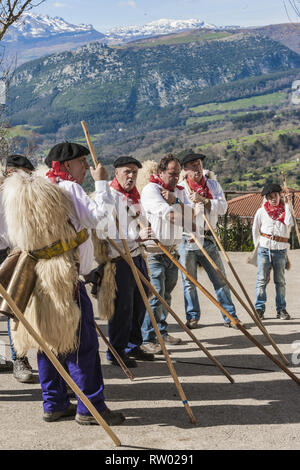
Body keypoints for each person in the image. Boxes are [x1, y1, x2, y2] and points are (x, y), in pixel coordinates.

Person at [3, 142, 124, 426]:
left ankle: (54, 403)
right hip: (65, 277)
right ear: (68, 165)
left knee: (49, 341)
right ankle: (90, 408)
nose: (86, 168)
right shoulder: (68, 189)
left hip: (39, 277)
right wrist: (102, 182)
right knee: (82, 344)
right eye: (83, 162)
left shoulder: (27, 192)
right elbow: (99, 218)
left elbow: (6, 237)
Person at [98, 156, 154, 367]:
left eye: (134, 172)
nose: (131, 176)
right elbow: (105, 232)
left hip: (137, 254)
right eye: (127, 172)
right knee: (123, 307)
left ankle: (133, 345)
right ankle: (117, 351)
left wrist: (145, 231)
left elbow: (139, 222)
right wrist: (135, 237)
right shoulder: (109, 197)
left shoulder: (134, 196)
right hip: (119, 258)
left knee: (140, 303)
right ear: (116, 173)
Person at [178, 151, 241, 329]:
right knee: (189, 282)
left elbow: (223, 208)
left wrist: (205, 200)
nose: (197, 168)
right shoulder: (181, 188)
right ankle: (192, 316)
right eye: (193, 165)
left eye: (198, 164)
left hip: (208, 237)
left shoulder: (213, 185)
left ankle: (230, 316)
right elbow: (176, 213)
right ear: (185, 170)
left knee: (220, 279)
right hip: (187, 239)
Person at [140, 154, 194, 354]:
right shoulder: (150, 190)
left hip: (173, 251)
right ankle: (147, 338)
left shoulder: (179, 191)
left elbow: (193, 214)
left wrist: (176, 200)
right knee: (155, 297)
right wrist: (180, 209)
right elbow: (171, 216)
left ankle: (161, 331)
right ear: (160, 172)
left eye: (178, 174)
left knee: (166, 296)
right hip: (155, 251)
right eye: (171, 174)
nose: (175, 178)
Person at [0, 154, 34, 381]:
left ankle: (19, 358)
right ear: (12, 173)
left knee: (15, 309)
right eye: (24, 174)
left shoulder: (26, 197)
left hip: (13, 254)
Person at [253, 183, 293, 320]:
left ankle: (281, 309)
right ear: (266, 198)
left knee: (280, 281)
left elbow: (289, 222)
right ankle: (259, 308)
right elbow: (255, 230)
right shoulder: (261, 212)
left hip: (280, 250)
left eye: (275, 196)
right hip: (264, 249)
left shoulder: (285, 210)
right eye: (270, 197)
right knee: (261, 280)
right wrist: (257, 246)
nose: (273, 199)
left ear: (279, 195)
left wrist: (288, 204)